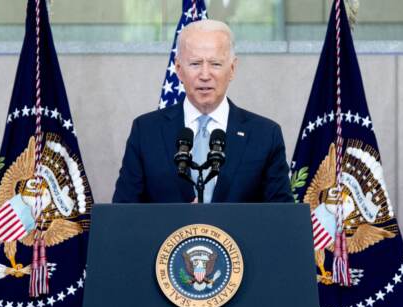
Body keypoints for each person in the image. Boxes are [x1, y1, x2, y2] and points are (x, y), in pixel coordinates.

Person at [112, 19, 293, 203]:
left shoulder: (264, 135)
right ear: (179, 69)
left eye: (215, 64)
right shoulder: (146, 132)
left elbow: (282, 219)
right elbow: (123, 214)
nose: (205, 75)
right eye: (195, 64)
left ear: (232, 69)